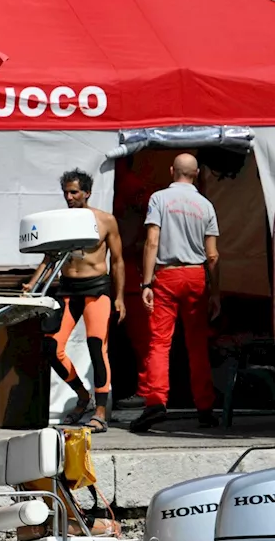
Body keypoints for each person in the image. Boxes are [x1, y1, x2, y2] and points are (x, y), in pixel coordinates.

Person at [25, 169, 126, 432]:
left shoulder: (105, 220)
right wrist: (32, 286)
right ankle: (83, 395)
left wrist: (120, 297)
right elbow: (49, 258)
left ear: (87, 193)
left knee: (96, 347)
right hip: (68, 289)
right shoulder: (60, 221)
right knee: (51, 347)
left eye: (74, 192)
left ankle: (101, 411)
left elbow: (117, 260)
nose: (69, 197)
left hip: (96, 288)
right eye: (66, 193)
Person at [132, 153, 221, 432]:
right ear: (195, 174)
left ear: (172, 171)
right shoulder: (206, 206)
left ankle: (156, 402)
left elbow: (152, 241)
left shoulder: (159, 199)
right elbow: (213, 256)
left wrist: (147, 283)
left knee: (159, 342)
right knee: (197, 345)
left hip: (167, 275)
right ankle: (205, 409)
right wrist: (215, 292)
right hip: (196, 276)